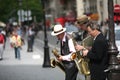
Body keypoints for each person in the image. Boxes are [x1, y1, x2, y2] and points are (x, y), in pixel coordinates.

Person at [75, 15, 109, 80]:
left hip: (97, 69)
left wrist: (85, 50)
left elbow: (98, 53)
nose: (90, 33)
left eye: (81, 25)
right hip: (92, 65)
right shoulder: (88, 33)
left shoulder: (98, 39)